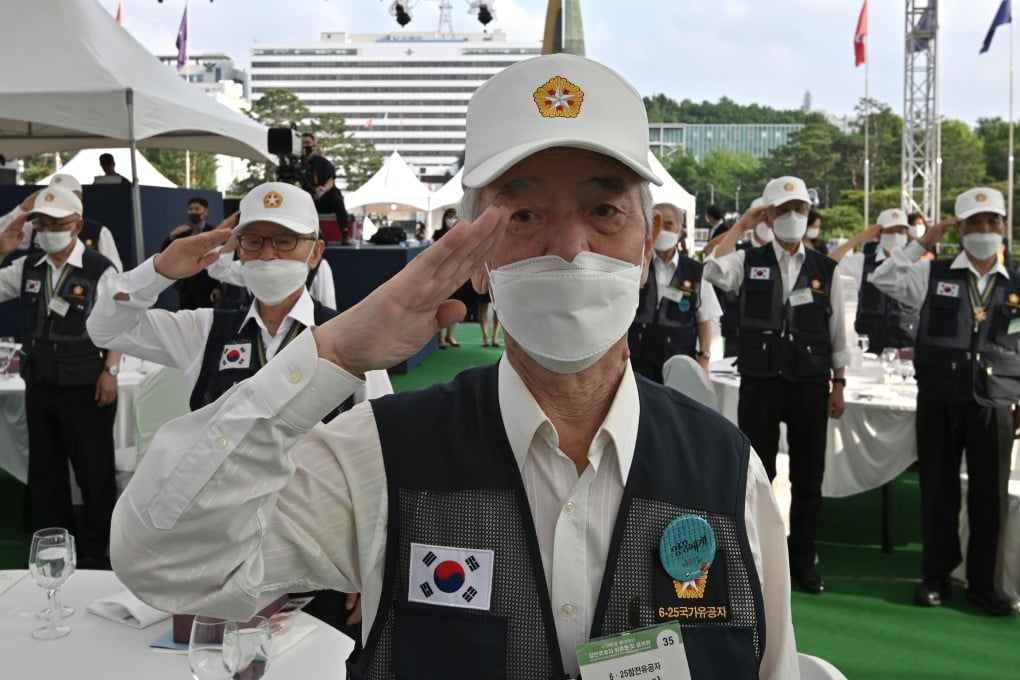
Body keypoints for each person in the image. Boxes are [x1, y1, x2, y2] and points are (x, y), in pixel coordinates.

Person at [110, 53, 798, 678]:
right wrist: (329, 356)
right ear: (480, 258)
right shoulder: (381, 457)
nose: (567, 245)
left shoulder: (726, 469)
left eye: (605, 209)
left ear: (646, 245)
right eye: (523, 214)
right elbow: (163, 561)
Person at [870, 187, 1020, 617]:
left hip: (996, 400)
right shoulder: (931, 274)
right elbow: (883, 278)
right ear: (959, 229)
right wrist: (922, 242)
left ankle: (984, 584)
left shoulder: (1016, 285)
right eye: (974, 223)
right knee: (938, 490)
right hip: (939, 396)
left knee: (989, 495)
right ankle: (935, 576)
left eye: (992, 222)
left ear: (1004, 227)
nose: (984, 231)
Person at [704, 175, 849, 596]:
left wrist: (839, 383)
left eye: (799, 209)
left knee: (808, 477)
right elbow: (710, 266)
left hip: (808, 382)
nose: (792, 217)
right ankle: (755, 557)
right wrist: (743, 224)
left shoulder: (827, 269)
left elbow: (839, 330)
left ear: (809, 214)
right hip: (761, 381)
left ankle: (802, 559)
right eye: (782, 210)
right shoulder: (748, 258)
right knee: (756, 474)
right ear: (767, 215)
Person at [0, 186, 121, 569]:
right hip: (40, 383)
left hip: (87, 383)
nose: (49, 230)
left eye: (58, 224)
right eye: (43, 224)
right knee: (45, 473)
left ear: (77, 225)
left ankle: (97, 551)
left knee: (94, 471)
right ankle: (54, 546)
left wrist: (110, 371)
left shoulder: (100, 268)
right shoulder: (26, 268)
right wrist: (3, 248)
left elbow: (120, 325)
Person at [629, 201, 721, 381]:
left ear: (680, 229)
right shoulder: (636, 265)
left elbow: (704, 319)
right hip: (637, 359)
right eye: (656, 224)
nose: (662, 230)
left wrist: (704, 357)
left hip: (678, 359)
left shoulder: (695, 271)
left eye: (668, 224)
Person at [828, 208, 919, 351]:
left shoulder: (917, 264)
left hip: (907, 344)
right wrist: (857, 239)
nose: (896, 236)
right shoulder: (863, 262)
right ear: (878, 235)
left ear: (907, 235)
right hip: (869, 345)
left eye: (901, 231)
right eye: (890, 231)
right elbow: (829, 263)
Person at [0, 174, 124, 271]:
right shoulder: (35, 228)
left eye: (67, 196)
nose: (47, 230)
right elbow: (4, 236)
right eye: (55, 196)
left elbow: (114, 273)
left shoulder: (98, 232)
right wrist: (21, 210)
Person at [703, 197, 774, 357]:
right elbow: (709, 253)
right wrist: (741, 226)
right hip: (737, 323)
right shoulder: (742, 251)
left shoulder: (779, 254)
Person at [160, 197, 225, 310]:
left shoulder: (213, 232)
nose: (193, 212)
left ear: (205, 211)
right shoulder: (182, 233)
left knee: (205, 320)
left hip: (206, 286)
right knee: (185, 320)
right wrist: (172, 236)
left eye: (197, 209)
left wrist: (217, 286)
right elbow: (164, 252)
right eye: (190, 209)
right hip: (185, 285)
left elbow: (219, 260)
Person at [298, 133, 350, 245]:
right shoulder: (298, 164)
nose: (305, 146)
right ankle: (319, 235)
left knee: (338, 201)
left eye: (307, 143)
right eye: (302, 143)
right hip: (310, 199)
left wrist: (321, 191)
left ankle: (345, 234)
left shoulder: (322, 162)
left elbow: (330, 180)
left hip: (328, 196)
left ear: (313, 145)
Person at [432, 207, 469, 348]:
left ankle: (450, 335)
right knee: (441, 304)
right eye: (449, 216)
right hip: (441, 275)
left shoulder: (463, 234)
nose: (451, 219)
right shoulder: (438, 234)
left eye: (454, 216)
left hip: (457, 274)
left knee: (455, 303)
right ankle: (440, 337)